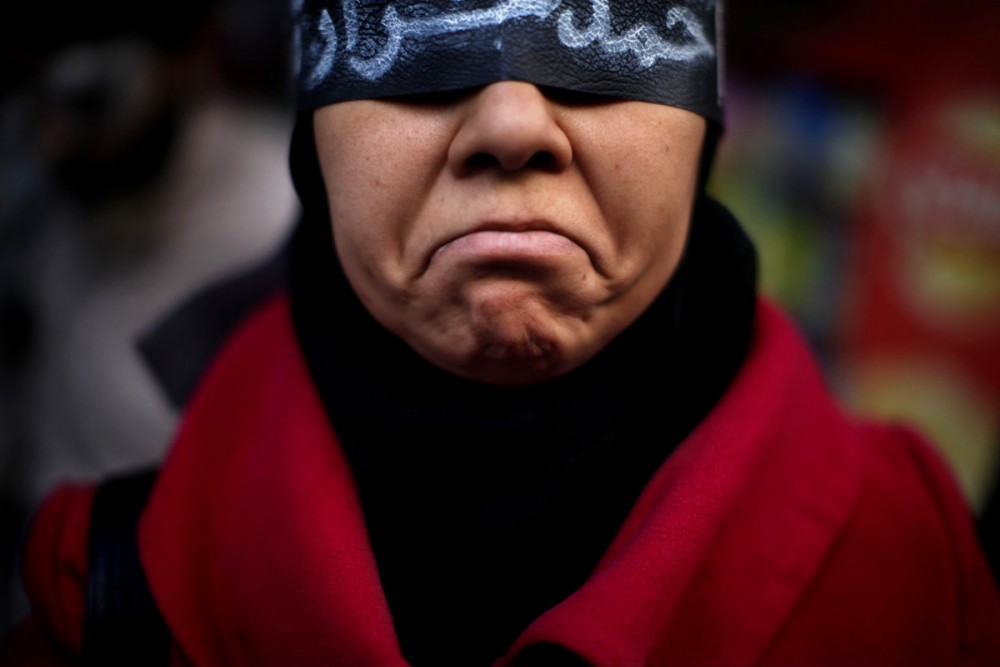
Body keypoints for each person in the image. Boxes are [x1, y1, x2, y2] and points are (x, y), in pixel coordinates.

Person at [4, 0, 1000, 665]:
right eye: (417, 21)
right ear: (315, 132)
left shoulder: (915, 569)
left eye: (602, 20)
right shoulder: (102, 592)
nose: (513, 121)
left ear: (704, 121)